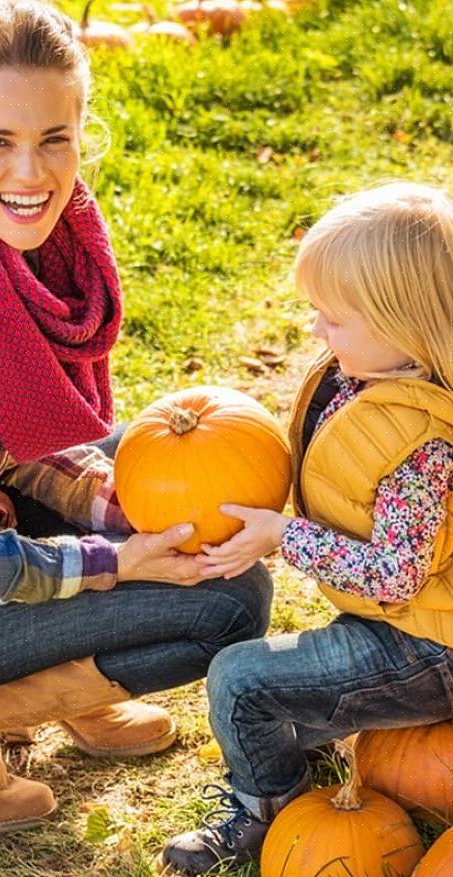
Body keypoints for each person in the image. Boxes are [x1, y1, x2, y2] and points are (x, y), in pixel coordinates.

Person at [0, 0, 271, 837]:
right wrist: (116, 559)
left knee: (149, 482)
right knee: (226, 606)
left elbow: (9, 438)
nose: (32, 173)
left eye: (54, 138)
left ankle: (72, 681)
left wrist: (144, 515)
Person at [160, 181, 453, 874]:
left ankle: (267, 809)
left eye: (333, 318)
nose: (315, 330)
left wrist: (280, 535)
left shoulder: (423, 445)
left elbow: (395, 574)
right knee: (281, 703)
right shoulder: (368, 376)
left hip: (431, 644)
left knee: (241, 680)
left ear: (403, 326)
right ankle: (311, 744)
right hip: (404, 622)